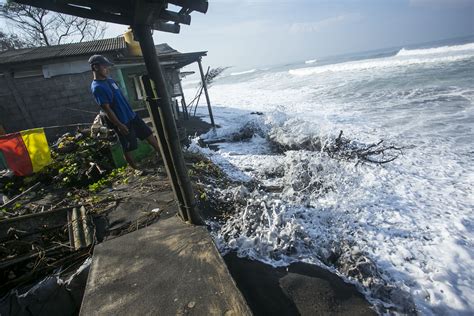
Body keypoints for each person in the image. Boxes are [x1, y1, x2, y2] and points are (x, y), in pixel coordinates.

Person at [89, 54, 160, 169]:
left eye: (107, 67)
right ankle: (135, 168)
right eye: (104, 67)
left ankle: (162, 155)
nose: (107, 69)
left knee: (148, 133)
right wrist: (119, 125)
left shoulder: (110, 81)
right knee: (128, 147)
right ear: (96, 67)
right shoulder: (97, 87)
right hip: (121, 121)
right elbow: (107, 109)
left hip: (132, 115)